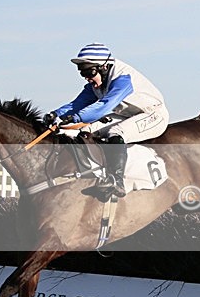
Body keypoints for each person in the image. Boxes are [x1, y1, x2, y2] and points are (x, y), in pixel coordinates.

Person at [44, 43, 169, 197]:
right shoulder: (97, 83)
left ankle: (117, 181)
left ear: (103, 67)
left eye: (89, 72)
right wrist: (55, 115)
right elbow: (77, 104)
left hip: (153, 114)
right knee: (85, 130)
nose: (86, 78)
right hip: (129, 115)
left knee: (115, 132)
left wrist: (76, 118)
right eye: (82, 73)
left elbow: (104, 105)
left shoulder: (122, 79)